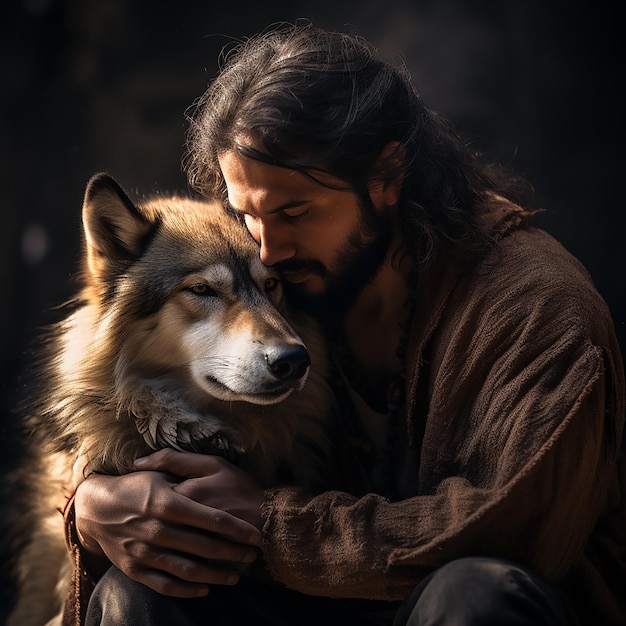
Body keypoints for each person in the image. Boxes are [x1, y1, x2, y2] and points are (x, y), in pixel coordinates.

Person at [66, 22, 625, 626]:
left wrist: (270, 522)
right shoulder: (297, 287)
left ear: (385, 178)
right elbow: (138, 415)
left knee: (472, 592)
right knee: (140, 592)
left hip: (472, 606)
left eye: (296, 211)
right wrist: (90, 508)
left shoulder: (535, 304)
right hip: (309, 607)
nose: (269, 252)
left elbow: (514, 527)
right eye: (248, 215)